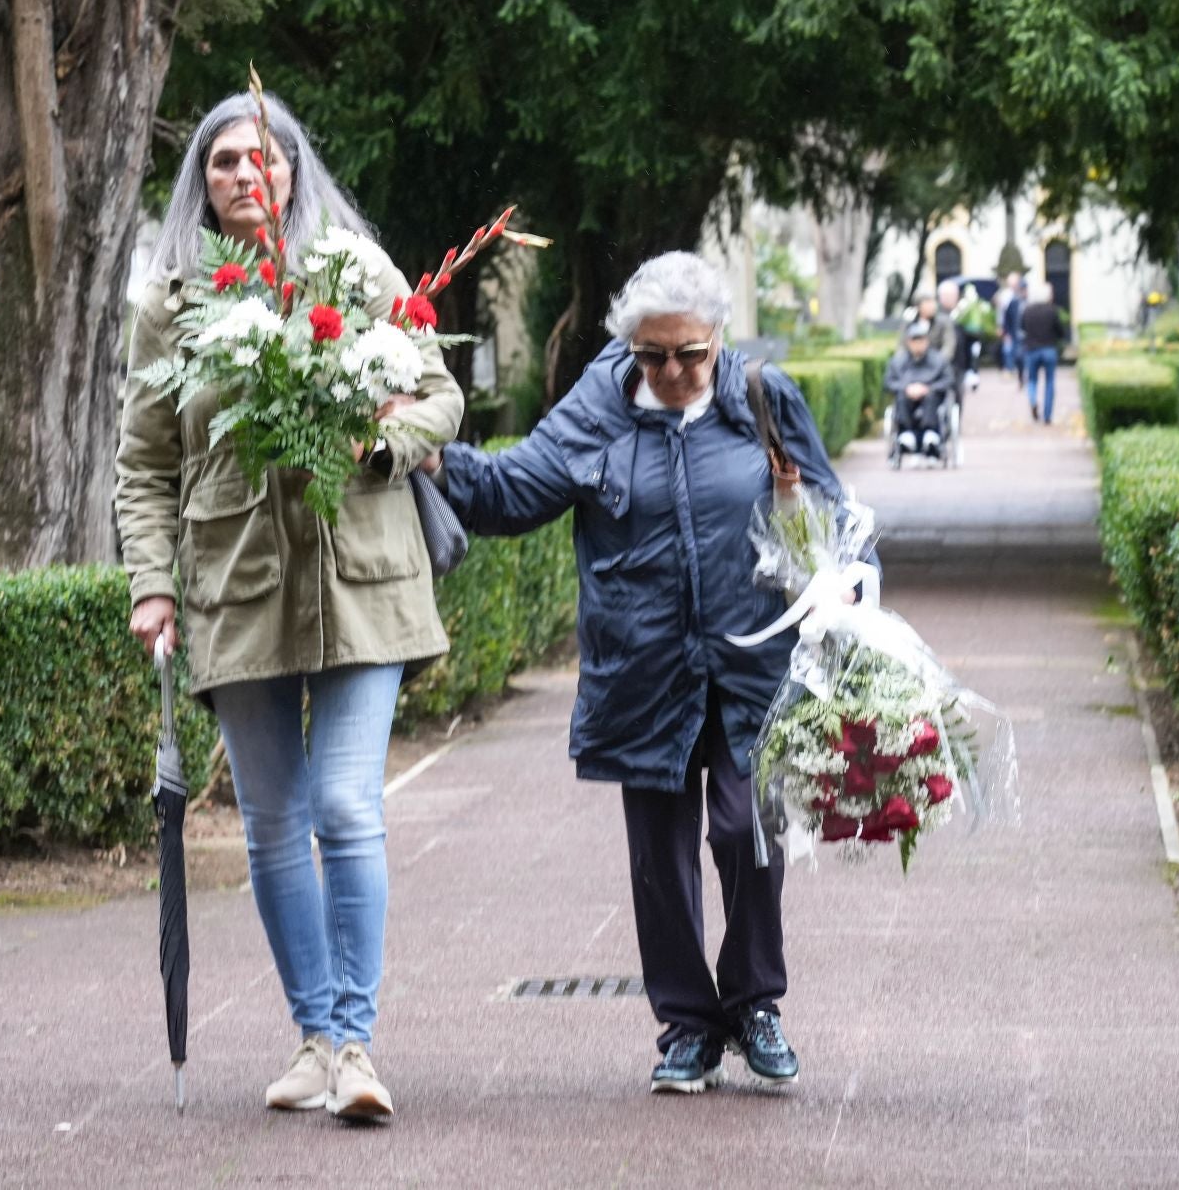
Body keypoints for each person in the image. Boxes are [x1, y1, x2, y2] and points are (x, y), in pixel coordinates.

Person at [421, 253, 864, 1095]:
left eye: (690, 354)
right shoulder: (596, 409)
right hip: (643, 667)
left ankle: (756, 1005)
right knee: (659, 858)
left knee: (745, 830)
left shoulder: (761, 397)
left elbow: (837, 514)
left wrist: (846, 576)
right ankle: (688, 1026)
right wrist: (435, 458)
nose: (671, 371)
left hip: (753, 663)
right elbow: (515, 492)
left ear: (718, 339)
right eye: (652, 354)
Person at [115, 90, 463, 1123]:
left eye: (262, 157)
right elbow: (144, 462)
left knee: (347, 807)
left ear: (294, 172)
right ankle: (313, 1037)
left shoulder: (357, 275)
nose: (243, 173)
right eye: (223, 160)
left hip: (362, 578)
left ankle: (354, 1042)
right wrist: (150, 584)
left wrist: (381, 438)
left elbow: (440, 394)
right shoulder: (170, 303)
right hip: (237, 584)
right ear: (202, 182)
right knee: (272, 822)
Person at [884, 319, 955, 457]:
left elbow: (948, 380)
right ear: (908, 342)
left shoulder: (939, 360)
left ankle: (930, 434)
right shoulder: (898, 362)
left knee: (931, 397)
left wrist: (928, 388)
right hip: (906, 397)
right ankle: (906, 433)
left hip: (931, 397)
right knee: (901, 397)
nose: (918, 344)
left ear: (927, 341)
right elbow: (889, 381)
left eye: (921, 340)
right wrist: (907, 388)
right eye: (914, 341)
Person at [1019, 280, 1070, 424]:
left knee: (1032, 380)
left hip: (1031, 349)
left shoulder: (1027, 310)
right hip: (1048, 349)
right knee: (1050, 382)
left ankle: (1033, 400)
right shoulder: (1052, 310)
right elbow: (1060, 331)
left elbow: (1022, 327)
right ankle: (1047, 415)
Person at [902, 288, 957, 368]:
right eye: (928, 302)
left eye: (933, 301)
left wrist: (937, 363)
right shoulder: (909, 324)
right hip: (913, 366)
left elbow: (949, 347)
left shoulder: (944, 322)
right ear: (918, 306)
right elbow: (902, 347)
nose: (933, 305)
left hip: (938, 366)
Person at [999, 273, 1027, 384]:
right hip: (1015, 332)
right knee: (1015, 354)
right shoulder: (1012, 300)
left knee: (1023, 355)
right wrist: (1006, 331)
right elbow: (1006, 317)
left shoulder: (1027, 301)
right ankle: (1015, 371)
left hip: (1027, 334)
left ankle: (1023, 374)